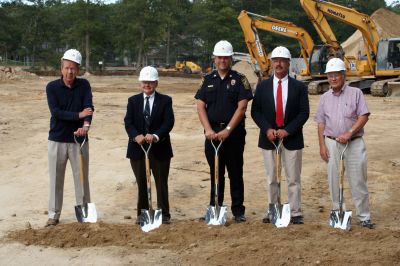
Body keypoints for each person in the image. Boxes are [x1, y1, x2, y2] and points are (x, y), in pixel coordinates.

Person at [195, 40, 253, 223]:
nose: (222, 60)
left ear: (231, 59)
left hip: (233, 134)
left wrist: (228, 130)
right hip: (212, 135)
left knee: (235, 172)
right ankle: (215, 207)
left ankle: (238, 211)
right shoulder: (207, 80)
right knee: (215, 172)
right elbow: (200, 106)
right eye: (219, 57)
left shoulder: (240, 80)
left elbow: (242, 107)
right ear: (214, 58)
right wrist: (208, 130)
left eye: (226, 57)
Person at [251, 46, 309, 225]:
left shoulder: (299, 87)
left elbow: (303, 113)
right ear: (271, 63)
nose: (279, 64)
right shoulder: (262, 87)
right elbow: (256, 112)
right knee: (272, 178)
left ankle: (295, 212)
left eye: (282, 61)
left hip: (291, 138)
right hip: (269, 139)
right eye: (275, 60)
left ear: (288, 63)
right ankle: (273, 209)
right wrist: (267, 129)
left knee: (293, 178)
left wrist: (288, 130)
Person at [315, 58, 374, 229]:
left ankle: (364, 216)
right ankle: (338, 212)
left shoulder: (356, 93)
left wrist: (349, 133)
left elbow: (364, 115)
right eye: (330, 75)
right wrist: (322, 145)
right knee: (334, 180)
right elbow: (320, 123)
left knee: (358, 180)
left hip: (354, 143)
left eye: (336, 75)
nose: (333, 79)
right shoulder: (324, 98)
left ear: (343, 76)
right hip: (332, 143)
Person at [45, 49, 94, 226]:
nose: (70, 72)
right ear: (61, 68)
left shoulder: (84, 85)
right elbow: (56, 113)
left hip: (79, 141)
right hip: (57, 139)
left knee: (82, 179)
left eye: (73, 68)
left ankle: (84, 213)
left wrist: (85, 126)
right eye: (67, 68)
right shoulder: (52, 87)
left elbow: (89, 108)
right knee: (56, 179)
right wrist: (79, 116)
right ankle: (53, 214)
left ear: (78, 69)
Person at [124, 66, 174, 225]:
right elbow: (128, 122)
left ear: (156, 83)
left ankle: (164, 214)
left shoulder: (165, 100)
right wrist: (135, 136)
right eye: (145, 82)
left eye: (151, 82)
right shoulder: (133, 101)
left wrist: (156, 135)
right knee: (142, 183)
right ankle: (143, 213)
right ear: (140, 83)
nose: (147, 85)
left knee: (161, 183)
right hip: (138, 150)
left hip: (160, 149)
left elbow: (168, 122)